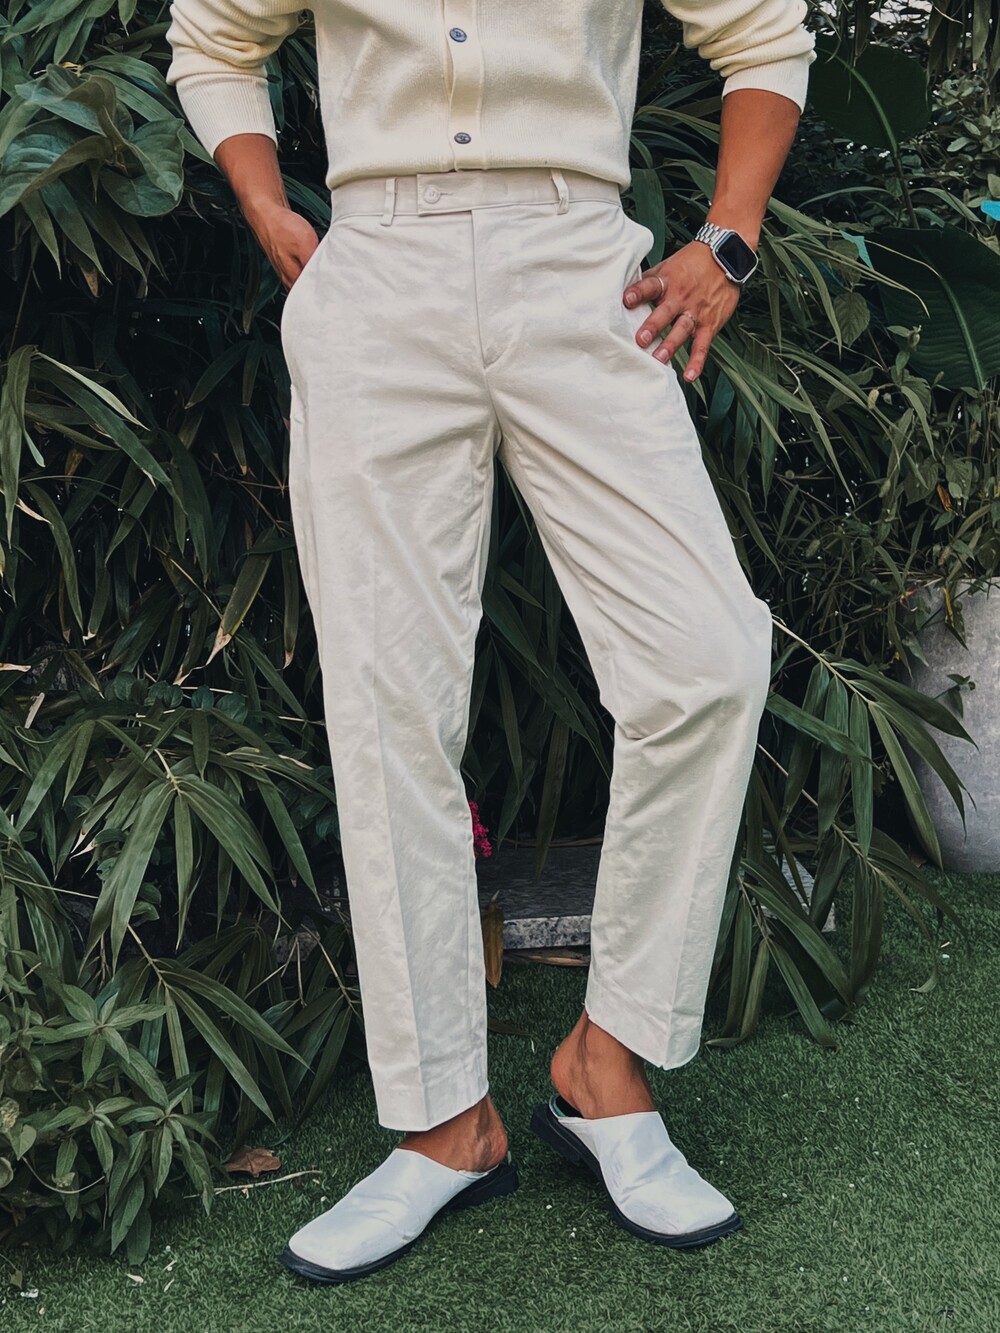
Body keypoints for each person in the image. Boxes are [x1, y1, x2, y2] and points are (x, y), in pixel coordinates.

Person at [165, 0, 815, 1285]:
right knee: (387, 701)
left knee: (706, 660)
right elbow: (214, 34)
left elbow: (764, 32)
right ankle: (444, 1121)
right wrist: (263, 201)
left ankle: (606, 1059)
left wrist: (727, 241)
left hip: (582, 265)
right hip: (376, 273)